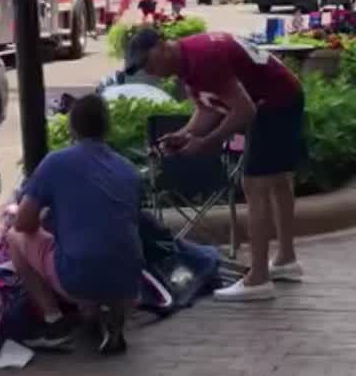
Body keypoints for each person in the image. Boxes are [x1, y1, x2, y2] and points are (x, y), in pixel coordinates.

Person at [126, 26, 305, 302]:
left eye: (149, 62)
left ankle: (258, 278)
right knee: (279, 180)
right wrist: (185, 135)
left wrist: (209, 142)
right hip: (281, 96)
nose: (150, 72)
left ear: (162, 45)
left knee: (255, 184)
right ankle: (285, 259)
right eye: (142, 68)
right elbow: (208, 108)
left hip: (276, 102)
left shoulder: (202, 58)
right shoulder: (188, 62)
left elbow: (245, 110)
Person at [5, 95, 142, 354]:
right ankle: (109, 316)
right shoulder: (128, 169)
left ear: (72, 128)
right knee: (104, 246)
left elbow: (23, 223)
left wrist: (40, 220)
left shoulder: (56, 162)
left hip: (78, 276)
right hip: (130, 281)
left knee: (14, 237)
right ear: (107, 127)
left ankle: (54, 321)